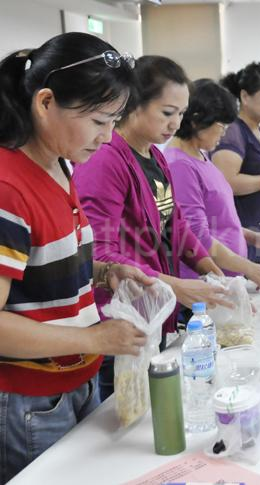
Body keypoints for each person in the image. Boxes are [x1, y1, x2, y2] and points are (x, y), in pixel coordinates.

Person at [0, 33, 155, 483]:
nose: (108, 138)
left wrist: (105, 273)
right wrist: (97, 340)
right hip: (32, 401)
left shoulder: (59, 164)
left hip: (74, 380)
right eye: (99, 121)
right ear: (45, 102)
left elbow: (41, 270)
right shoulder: (9, 187)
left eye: (115, 121)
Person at [73, 55, 230, 400]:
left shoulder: (154, 156)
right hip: (118, 317)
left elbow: (175, 226)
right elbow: (100, 251)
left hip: (150, 309)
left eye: (181, 113)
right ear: (134, 104)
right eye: (167, 112)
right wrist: (177, 287)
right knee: (125, 413)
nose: (176, 123)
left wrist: (216, 276)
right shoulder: (106, 158)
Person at [165, 79, 260, 288]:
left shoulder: (201, 155)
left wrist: (251, 237)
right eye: (221, 126)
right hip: (204, 285)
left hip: (226, 282)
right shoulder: (180, 166)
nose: (224, 134)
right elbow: (196, 237)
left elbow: (218, 219)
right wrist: (248, 267)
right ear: (197, 121)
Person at [212, 62, 260, 263]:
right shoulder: (233, 132)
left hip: (259, 229)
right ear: (245, 96)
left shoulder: (258, 130)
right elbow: (226, 182)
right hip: (240, 231)